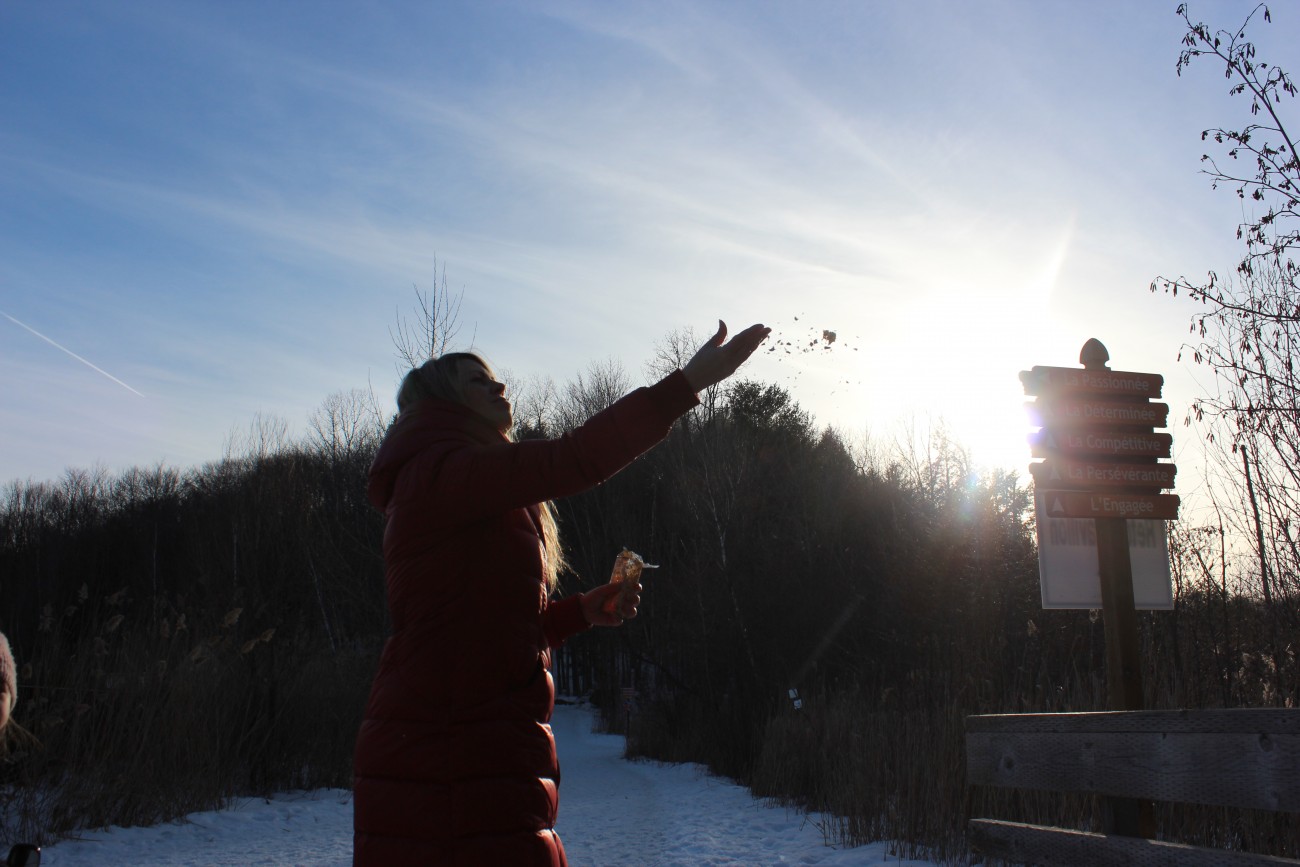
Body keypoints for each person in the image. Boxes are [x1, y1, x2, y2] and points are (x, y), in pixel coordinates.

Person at [353, 320, 769, 867]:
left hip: (476, 744)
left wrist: (573, 614)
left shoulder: (461, 478)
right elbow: (574, 458)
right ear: (442, 402)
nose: (499, 388)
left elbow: (480, 627)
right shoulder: (441, 472)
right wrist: (686, 384)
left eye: (494, 378)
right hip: (447, 754)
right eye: (477, 382)